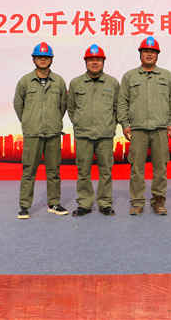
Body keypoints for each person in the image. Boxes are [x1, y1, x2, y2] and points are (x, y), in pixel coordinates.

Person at [117, 36, 171, 216]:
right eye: (146, 51)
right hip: (138, 129)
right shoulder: (129, 76)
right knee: (136, 169)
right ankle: (137, 202)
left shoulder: (167, 76)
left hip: (160, 129)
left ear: (157, 55)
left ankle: (159, 201)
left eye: (153, 52)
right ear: (140, 54)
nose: (149, 54)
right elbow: (122, 102)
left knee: (161, 168)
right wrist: (125, 124)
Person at [14, 42, 68, 219]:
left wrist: (53, 120)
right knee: (29, 170)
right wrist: (29, 121)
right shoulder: (25, 81)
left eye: (46, 57)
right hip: (33, 133)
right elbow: (18, 105)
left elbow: (63, 106)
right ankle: (24, 206)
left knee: (54, 171)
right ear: (34, 59)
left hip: (53, 133)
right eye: (39, 57)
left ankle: (54, 203)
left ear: (51, 59)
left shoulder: (59, 81)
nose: (43, 60)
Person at [67, 44, 120, 217]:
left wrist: (111, 126)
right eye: (91, 60)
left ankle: (105, 203)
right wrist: (78, 122)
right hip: (83, 134)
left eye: (98, 59)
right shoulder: (76, 83)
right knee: (83, 171)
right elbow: (71, 108)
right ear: (85, 62)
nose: (95, 62)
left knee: (106, 171)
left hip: (105, 135)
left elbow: (117, 107)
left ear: (103, 62)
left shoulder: (112, 83)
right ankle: (85, 204)